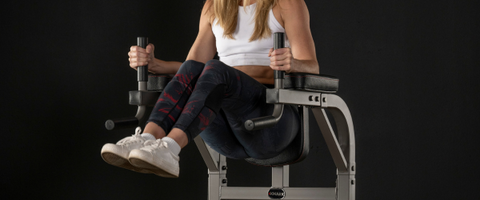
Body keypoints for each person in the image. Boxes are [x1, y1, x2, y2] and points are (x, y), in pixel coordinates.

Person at [101, 0, 319, 178]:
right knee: (197, 69)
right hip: (227, 134)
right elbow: (192, 69)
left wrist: (293, 63)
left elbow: (312, 66)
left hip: (271, 120)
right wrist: (156, 65)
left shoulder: (287, 4)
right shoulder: (214, 6)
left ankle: (170, 148)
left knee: (214, 68)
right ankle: (147, 138)